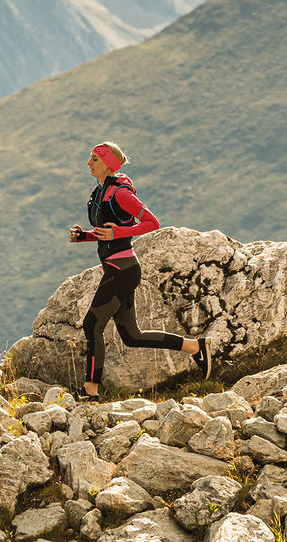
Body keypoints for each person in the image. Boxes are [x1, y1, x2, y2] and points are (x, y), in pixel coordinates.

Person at [67, 141, 211, 398]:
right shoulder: (99, 192)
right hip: (116, 268)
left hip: (122, 270)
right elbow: (106, 233)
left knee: (92, 325)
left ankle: (91, 391)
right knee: (132, 335)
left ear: (108, 163)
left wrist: (118, 232)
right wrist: (84, 236)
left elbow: (151, 222)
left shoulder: (121, 194)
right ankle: (195, 347)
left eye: (94, 159)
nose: (89, 163)